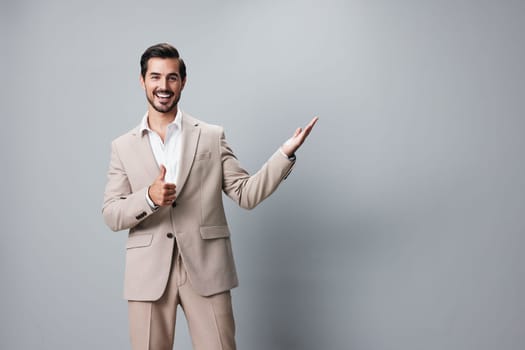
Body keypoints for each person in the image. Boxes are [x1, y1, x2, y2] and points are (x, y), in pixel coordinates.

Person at [102, 43, 318, 350]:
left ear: (183, 82)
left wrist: (284, 154)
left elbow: (246, 194)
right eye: (155, 77)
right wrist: (148, 198)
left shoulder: (211, 136)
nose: (164, 86)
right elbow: (111, 213)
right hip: (148, 274)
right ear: (142, 81)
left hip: (207, 268)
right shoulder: (122, 146)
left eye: (172, 77)